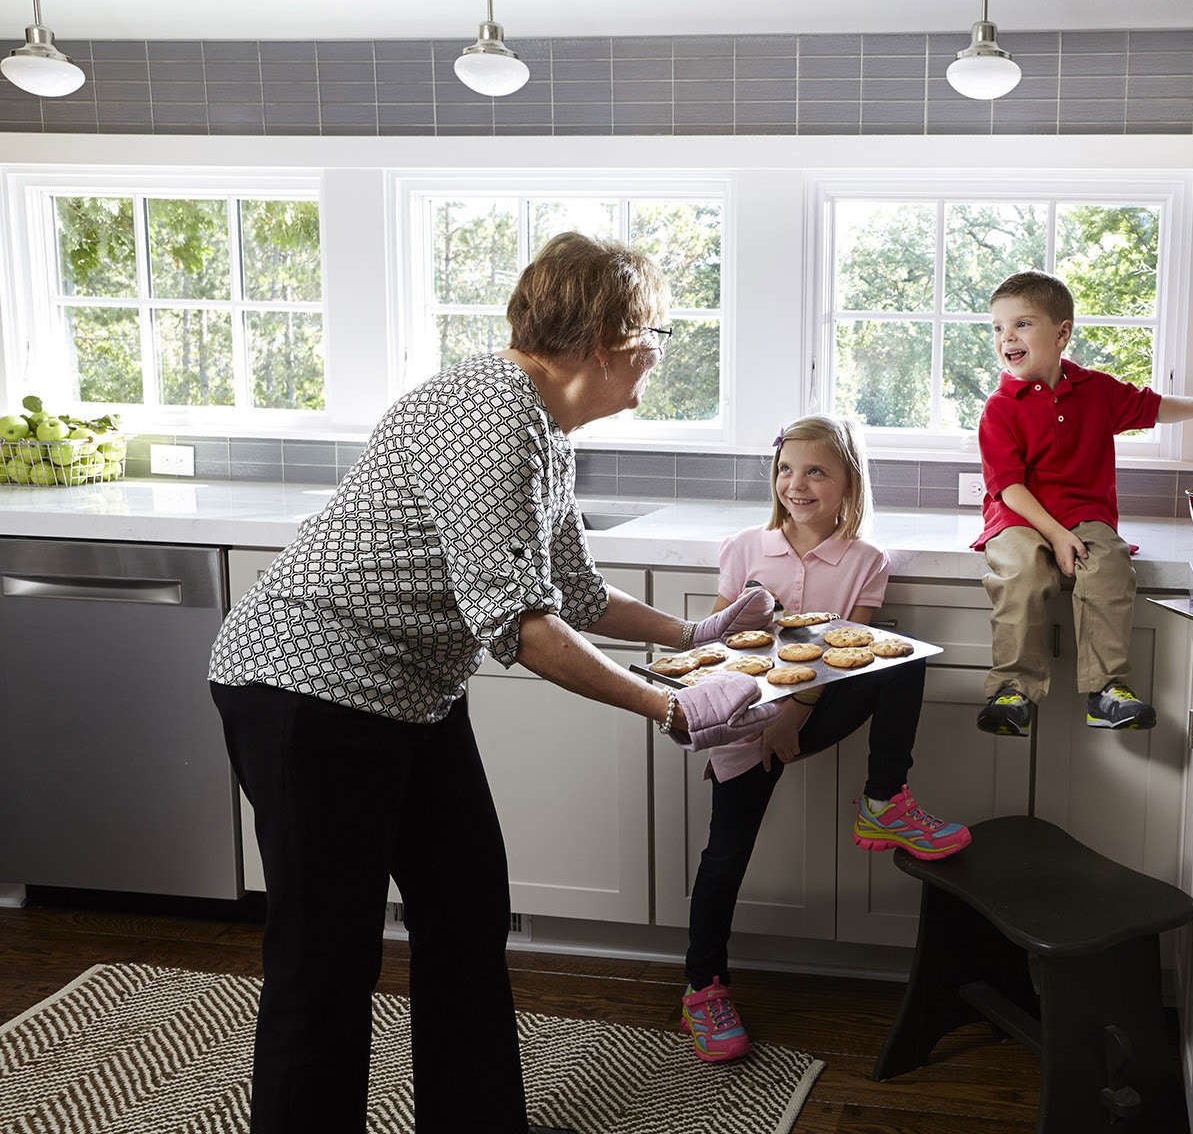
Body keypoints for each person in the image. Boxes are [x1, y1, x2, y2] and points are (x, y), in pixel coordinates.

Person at [207, 233, 779, 1134]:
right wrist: (667, 704)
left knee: (466, 920)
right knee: (326, 960)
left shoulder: (547, 426)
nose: (659, 354)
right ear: (604, 339)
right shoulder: (488, 413)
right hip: (305, 693)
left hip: (411, 698)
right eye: (655, 335)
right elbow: (522, 626)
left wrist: (694, 635)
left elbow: (574, 590)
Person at [680, 414, 970, 1064]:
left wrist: (797, 717)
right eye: (787, 469)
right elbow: (728, 648)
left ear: (847, 484)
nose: (797, 483)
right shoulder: (745, 547)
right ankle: (704, 986)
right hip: (747, 716)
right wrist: (761, 718)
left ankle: (884, 802)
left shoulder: (867, 562)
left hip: (811, 712)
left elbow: (850, 654)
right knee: (724, 857)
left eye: (816, 471)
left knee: (901, 658)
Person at [972, 269, 1193, 736]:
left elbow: (1151, 407)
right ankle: (1012, 690)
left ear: (1062, 333)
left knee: (1110, 565)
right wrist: (1054, 535)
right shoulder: (1000, 407)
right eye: (998, 327)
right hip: (1018, 518)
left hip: (1084, 517)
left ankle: (1106, 691)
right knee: (1023, 570)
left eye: (1021, 324)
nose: (1006, 337)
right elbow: (1010, 488)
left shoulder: (1095, 390)